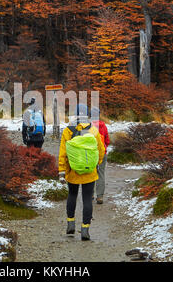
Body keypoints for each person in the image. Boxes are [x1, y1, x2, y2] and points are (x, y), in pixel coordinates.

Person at [58, 103, 105, 241]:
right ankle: (85, 229)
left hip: (72, 172)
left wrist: (62, 170)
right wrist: (96, 164)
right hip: (89, 172)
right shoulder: (93, 130)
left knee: (72, 195)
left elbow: (63, 153)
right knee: (87, 199)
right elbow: (100, 150)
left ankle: (70, 223)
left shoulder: (68, 130)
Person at [90, 107, 110, 204]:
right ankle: (100, 196)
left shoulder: (88, 126)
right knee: (101, 174)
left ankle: (90, 195)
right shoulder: (103, 125)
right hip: (103, 153)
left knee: (91, 173)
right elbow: (107, 141)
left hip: (91, 154)